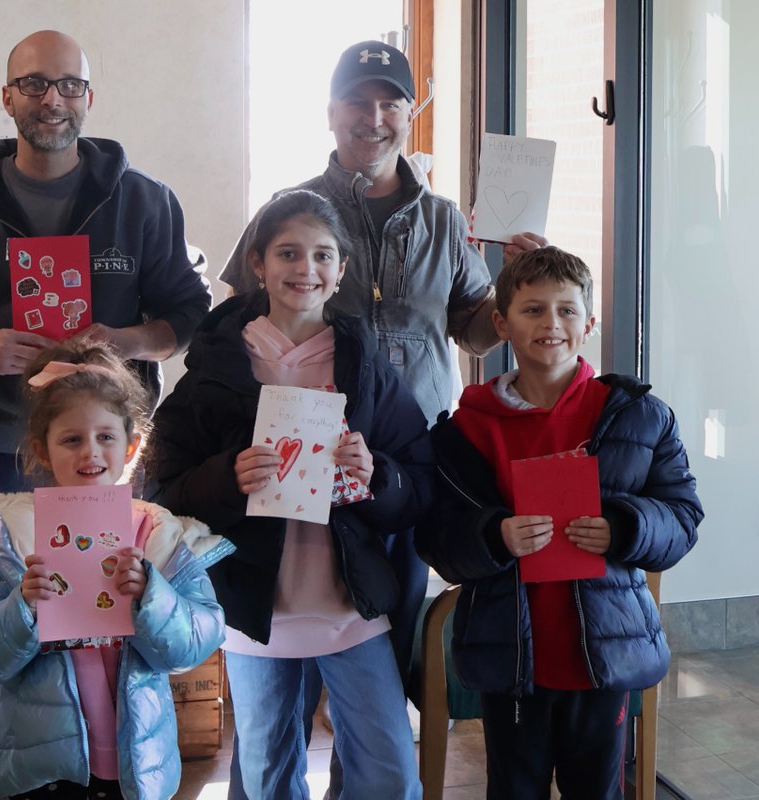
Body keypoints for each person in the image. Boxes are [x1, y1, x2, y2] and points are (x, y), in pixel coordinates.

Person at [0, 30, 211, 797]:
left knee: (121, 633)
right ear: (7, 96)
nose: (50, 99)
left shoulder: (145, 202)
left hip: (112, 458)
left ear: (89, 97)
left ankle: (119, 778)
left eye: (67, 85)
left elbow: (187, 316)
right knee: (2, 634)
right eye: (33, 84)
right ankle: (11, 783)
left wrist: (125, 341)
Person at [220, 42, 544, 756]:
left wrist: (515, 284)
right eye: (357, 102)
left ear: (409, 113)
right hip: (302, 463)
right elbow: (235, 320)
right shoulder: (293, 210)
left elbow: (471, 331)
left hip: (408, 463)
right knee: (291, 649)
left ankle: (362, 773)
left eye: (389, 101)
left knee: (387, 632)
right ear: (331, 113)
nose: (373, 117)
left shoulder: (444, 219)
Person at [146, 190, 429, 800]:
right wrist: (227, 476)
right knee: (267, 771)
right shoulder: (220, 366)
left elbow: (416, 476)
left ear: (342, 270)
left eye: (323, 255)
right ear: (258, 263)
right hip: (255, 604)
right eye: (288, 253)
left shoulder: (367, 365)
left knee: (389, 771)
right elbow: (160, 485)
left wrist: (376, 473)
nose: (306, 269)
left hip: (350, 603)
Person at [415, 247, 703, 799]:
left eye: (568, 311)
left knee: (597, 790)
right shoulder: (463, 432)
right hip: (509, 658)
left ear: (589, 324)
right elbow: (436, 537)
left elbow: (683, 516)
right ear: (501, 323)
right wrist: (493, 536)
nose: (552, 324)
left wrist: (626, 527)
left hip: (604, 654)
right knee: (514, 789)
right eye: (532, 310)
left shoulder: (638, 415)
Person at [0, 338, 231, 800]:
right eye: (72, 439)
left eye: (105, 437)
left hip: (136, 764)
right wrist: (23, 606)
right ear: (43, 450)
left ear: (131, 445)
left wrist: (151, 597)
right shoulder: (11, 539)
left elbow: (197, 642)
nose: (90, 453)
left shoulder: (160, 537)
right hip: (47, 770)